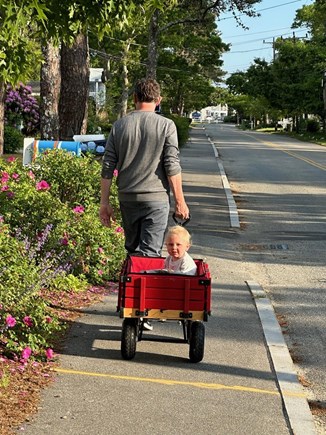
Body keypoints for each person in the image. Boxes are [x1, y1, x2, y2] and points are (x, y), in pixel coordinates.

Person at [99, 78, 189, 257]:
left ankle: (131, 283)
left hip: (127, 197)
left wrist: (104, 203)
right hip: (155, 199)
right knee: (150, 254)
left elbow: (107, 166)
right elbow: (171, 164)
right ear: (159, 100)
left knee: (132, 251)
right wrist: (180, 201)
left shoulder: (119, 126)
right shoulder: (166, 125)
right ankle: (144, 284)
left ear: (134, 98)